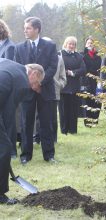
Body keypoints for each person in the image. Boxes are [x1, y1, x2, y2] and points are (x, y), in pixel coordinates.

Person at [0, 58, 44, 204]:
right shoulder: (22, 82)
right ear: (34, 74)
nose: (34, 88)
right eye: (37, 83)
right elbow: (8, 114)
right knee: (4, 149)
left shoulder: (7, 62)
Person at [14, 17, 58, 164]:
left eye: (28, 28)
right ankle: (25, 155)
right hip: (27, 90)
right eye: (25, 28)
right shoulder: (19, 48)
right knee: (26, 122)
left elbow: (53, 67)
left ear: (37, 29)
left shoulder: (50, 46)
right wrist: (31, 84)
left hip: (45, 90)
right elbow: (18, 68)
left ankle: (49, 155)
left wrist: (40, 83)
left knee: (46, 123)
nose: (25, 31)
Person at [59, 36, 86, 134]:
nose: (71, 46)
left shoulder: (79, 56)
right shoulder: (60, 54)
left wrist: (72, 72)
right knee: (63, 110)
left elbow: (83, 70)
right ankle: (64, 130)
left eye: (73, 44)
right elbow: (58, 68)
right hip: (63, 86)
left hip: (74, 86)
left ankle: (73, 130)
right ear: (66, 44)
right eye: (70, 44)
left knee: (74, 110)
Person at [0, 19, 18, 157]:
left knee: (8, 120)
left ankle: (11, 151)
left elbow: (8, 67)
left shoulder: (10, 47)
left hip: (8, 88)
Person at [81, 36, 102, 127]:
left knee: (97, 101)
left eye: (92, 43)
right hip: (86, 81)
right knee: (87, 101)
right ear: (86, 44)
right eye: (88, 43)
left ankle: (95, 120)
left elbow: (101, 69)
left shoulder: (98, 56)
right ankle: (88, 122)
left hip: (96, 81)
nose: (90, 44)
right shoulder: (82, 55)